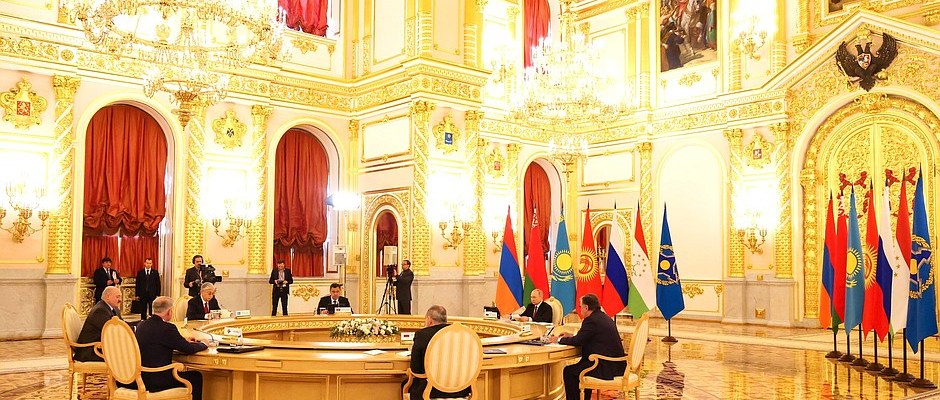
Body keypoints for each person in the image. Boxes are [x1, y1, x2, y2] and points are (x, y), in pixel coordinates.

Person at [549, 294, 626, 400]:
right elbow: (588, 336)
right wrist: (572, 335)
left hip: (604, 366)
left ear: (586, 307)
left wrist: (558, 340)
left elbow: (577, 341)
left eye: (580, 307)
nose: (580, 310)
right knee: (581, 367)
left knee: (569, 371)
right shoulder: (603, 317)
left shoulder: (591, 320)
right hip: (615, 365)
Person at [136, 296, 208, 400]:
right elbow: (188, 349)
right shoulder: (167, 328)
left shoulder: (141, 325)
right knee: (196, 377)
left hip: (140, 377)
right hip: (158, 379)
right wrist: (204, 344)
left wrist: (183, 340)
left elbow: (160, 340)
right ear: (169, 311)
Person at [406, 305, 472, 398]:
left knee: (406, 384)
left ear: (429, 320)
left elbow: (415, 369)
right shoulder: (461, 333)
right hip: (461, 388)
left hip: (431, 391)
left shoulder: (422, 335)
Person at [75, 286, 123, 362]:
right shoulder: (100, 310)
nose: (120, 300)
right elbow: (110, 331)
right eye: (117, 297)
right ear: (108, 297)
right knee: (124, 356)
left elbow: (123, 324)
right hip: (91, 352)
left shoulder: (114, 309)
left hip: (101, 347)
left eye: (120, 297)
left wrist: (138, 325)